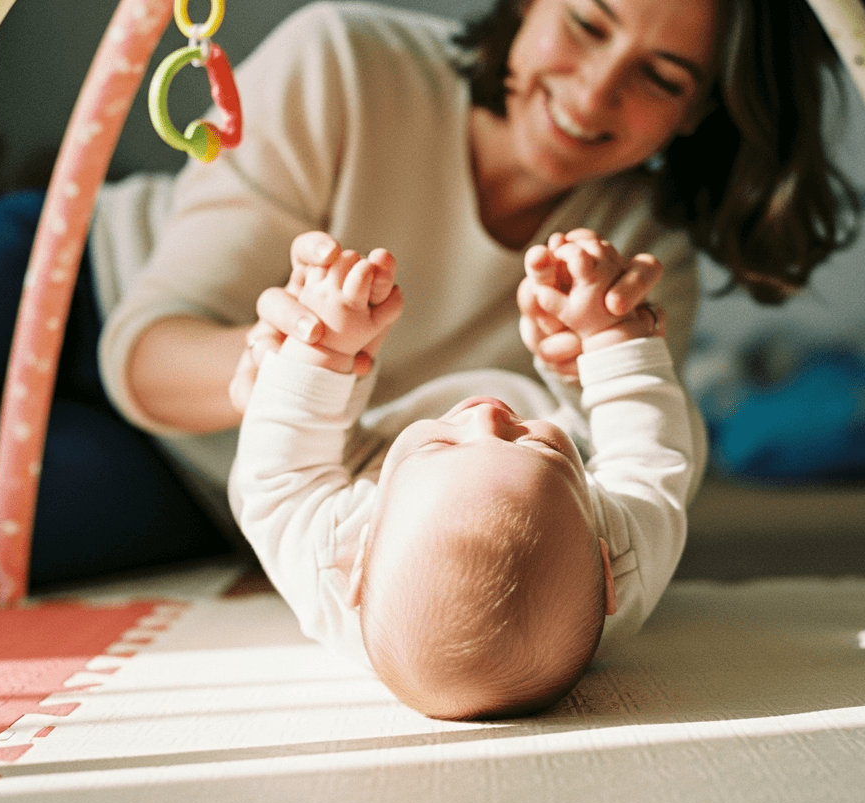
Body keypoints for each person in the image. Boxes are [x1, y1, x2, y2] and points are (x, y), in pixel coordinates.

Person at [0, 0, 856, 606]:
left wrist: (593, 366)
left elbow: (601, 509)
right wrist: (283, 367)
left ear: (697, 114)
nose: (595, 90)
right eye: (588, 23)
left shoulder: (640, 269)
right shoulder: (346, 62)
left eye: (662, 76)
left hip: (203, 483)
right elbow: (147, 347)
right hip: (81, 281)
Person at [230, 228, 699, 719]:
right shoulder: (629, 560)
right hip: (584, 441)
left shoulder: (327, 559)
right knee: (678, 447)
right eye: (536, 448)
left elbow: (281, 478)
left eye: (440, 446)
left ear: (361, 561)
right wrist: (609, 338)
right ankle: (566, 410)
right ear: (607, 569)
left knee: (274, 452)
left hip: (366, 455)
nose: (488, 417)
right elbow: (645, 456)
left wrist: (322, 352)